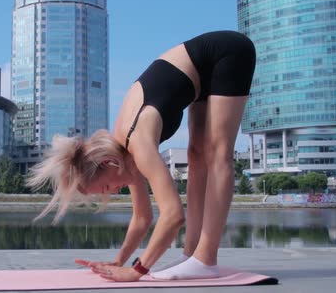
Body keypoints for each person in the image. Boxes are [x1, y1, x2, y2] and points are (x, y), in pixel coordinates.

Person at [27, 30, 256, 282]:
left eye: (105, 186)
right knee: (196, 156)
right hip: (200, 76)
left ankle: (205, 259)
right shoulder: (123, 156)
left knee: (218, 153)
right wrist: (118, 261)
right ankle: (191, 254)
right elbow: (142, 218)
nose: (112, 193)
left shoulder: (136, 142)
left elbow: (173, 215)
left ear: (107, 163)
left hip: (227, 53)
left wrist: (137, 270)